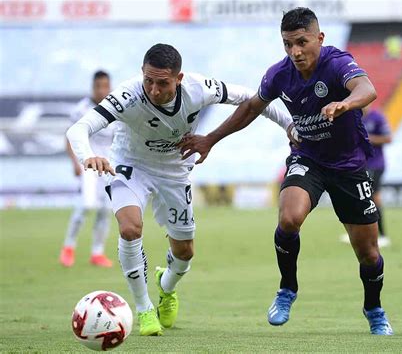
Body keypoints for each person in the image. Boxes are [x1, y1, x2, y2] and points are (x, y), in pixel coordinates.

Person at [179, 7, 393, 335]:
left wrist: (346, 103)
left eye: (301, 42)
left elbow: (367, 89)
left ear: (319, 38)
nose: (295, 51)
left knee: (368, 253)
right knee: (289, 218)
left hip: (349, 166)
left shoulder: (336, 63)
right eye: (287, 44)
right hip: (308, 157)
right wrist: (210, 139)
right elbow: (251, 107)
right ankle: (287, 290)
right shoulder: (279, 74)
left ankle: (374, 308)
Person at [66, 43, 297, 336]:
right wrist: (89, 156)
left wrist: (289, 124)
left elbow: (254, 99)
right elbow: (78, 129)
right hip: (130, 165)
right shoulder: (127, 96)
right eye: (148, 80)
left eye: (162, 83)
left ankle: (166, 287)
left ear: (178, 78)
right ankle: (144, 308)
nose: (153, 90)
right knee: (130, 229)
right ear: (142, 74)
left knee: (185, 252)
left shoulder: (199, 88)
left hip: (175, 171)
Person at [60, 70, 115, 268]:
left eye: (105, 86)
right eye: (98, 86)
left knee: (105, 209)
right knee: (85, 205)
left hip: (109, 166)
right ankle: (69, 247)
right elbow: (70, 137)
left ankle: (97, 253)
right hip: (88, 163)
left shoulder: (116, 108)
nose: (102, 90)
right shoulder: (82, 109)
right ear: (93, 87)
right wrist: (75, 162)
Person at [341, 104, 392, 247]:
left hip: (375, 164)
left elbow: (388, 138)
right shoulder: (352, 117)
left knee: (373, 197)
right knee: (356, 197)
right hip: (358, 164)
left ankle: (382, 235)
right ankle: (357, 232)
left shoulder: (377, 117)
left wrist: (366, 138)